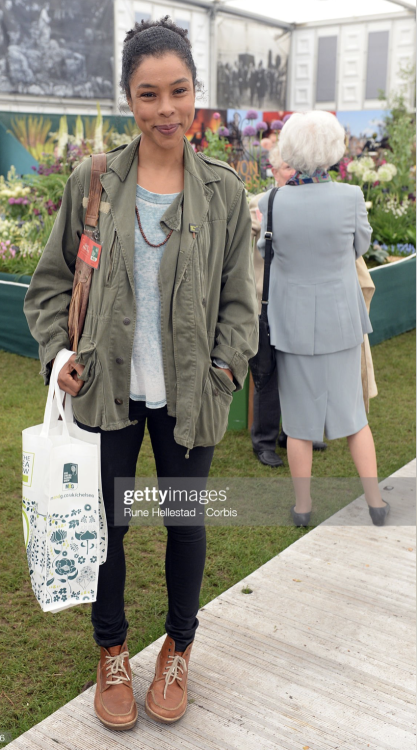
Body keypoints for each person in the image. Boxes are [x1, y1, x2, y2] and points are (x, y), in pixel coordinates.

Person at [24, 16, 258, 732]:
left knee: (186, 526)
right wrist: (62, 358)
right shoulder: (93, 181)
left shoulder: (225, 193)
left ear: (196, 94)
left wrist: (224, 368)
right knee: (109, 528)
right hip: (108, 393)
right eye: (149, 94)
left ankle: (179, 648)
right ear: (128, 98)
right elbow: (48, 287)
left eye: (178, 91)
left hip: (192, 396)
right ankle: (113, 651)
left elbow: (241, 303)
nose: (165, 109)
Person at [257, 111, 390, 528]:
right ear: (334, 150)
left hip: (291, 322)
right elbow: (359, 246)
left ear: (290, 150)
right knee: (355, 417)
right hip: (342, 318)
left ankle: (302, 507)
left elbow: (265, 252)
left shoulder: (270, 201)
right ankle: (376, 502)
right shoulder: (351, 196)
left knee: (297, 424)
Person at [248, 147, 327, 467]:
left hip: (298, 304)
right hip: (263, 306)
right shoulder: (259, 203)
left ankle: (292, 432)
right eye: (286, 168)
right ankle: (263, 442)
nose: (292, 174)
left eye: (297, 168)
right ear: (273, 171)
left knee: (298, 373)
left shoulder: (310, 205)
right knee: (266, 376)